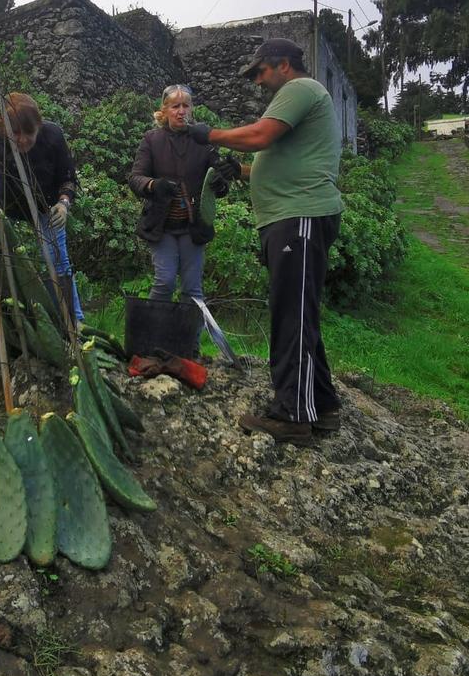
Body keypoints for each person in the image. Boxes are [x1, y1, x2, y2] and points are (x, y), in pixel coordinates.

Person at [187, 38, 343, 445]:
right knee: (296, 311)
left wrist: (209, 135)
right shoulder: (301, 96)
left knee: (292, 315)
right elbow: (270, 158)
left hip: (300, 215)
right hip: (290, 217)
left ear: (284, 66)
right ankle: (321, 405)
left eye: (260, 72)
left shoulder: (300, 89)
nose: (257, 81)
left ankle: (292, 415)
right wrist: (237, 171)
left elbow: (260, 136)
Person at [128, 85, 237, 304]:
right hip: (162, 225)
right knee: (165, 282)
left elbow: (219, 182)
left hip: (193, 227)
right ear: (165, 110)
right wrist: (153, 185)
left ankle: (187, 339)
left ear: (191, 110)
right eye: (175, 106)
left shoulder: (203, 141)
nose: (181, 111)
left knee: (192, 289)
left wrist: (223, 180)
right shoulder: (152, 139)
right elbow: (135, 178)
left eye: (185, 106)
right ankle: (150, 336)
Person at [0, 92, 83, 327]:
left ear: (39, 126)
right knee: (16, 267)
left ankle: (74, 323)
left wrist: (63, 203)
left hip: (46, 206)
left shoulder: (53, 135)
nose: (22, 140)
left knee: (58, 262)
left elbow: (67, 175)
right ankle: (25, 325)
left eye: (29, 133)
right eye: (15, 133)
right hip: (11, 212)